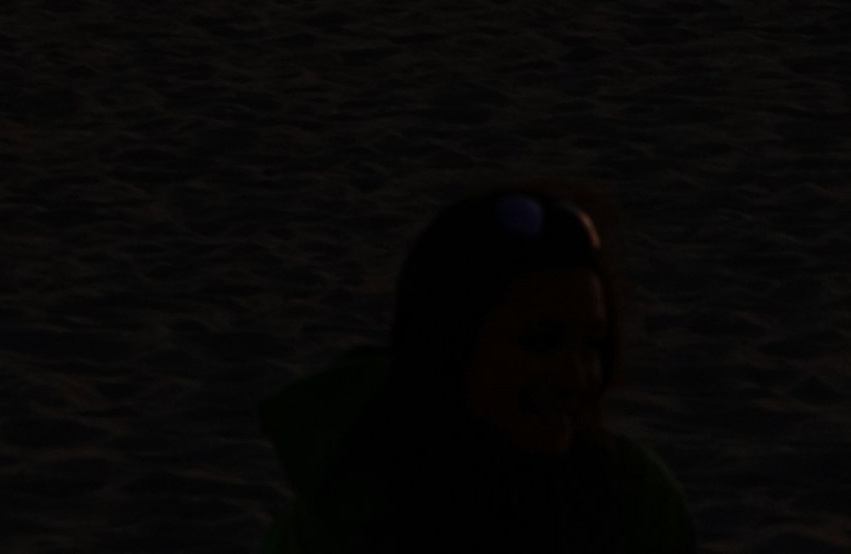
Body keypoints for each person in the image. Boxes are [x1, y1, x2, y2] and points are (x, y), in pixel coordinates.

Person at [260, 187, 692, 551]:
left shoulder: (633, 500)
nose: (576, 377)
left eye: (593, 344)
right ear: (449, 348)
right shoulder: (349, 511)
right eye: (541, 342)